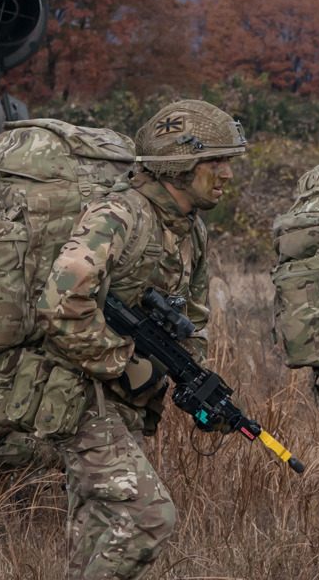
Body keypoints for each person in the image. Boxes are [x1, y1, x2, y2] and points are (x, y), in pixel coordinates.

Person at [40, 99, 245, 580]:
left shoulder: (191, 229)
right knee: (149, 518)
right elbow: (59, 303)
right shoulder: (117, 216)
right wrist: (124, 363)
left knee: (93, 531)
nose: (227, 173)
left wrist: (195, 387)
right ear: (179, 164)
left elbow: (192, 322)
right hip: (81, 396)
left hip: (126, 405)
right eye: (215, 161)